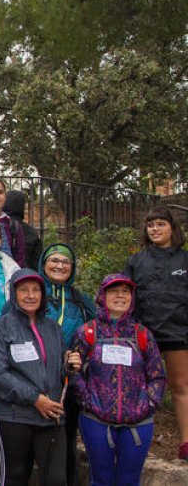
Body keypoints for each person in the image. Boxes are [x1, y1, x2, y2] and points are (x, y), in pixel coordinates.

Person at [71, 274, 167, 486]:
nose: (120, 296)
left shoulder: (142, 334)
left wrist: (149, 403)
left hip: (138, 422)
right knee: (101, 479)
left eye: (125, 291)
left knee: (129, 481)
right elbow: (73, 370)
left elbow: (157, 375)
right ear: (102, 296)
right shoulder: (87, 332)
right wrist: (87, 400)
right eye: (114, 291)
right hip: (96, 420)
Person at [0, 268, 75, 486]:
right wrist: (36, 398)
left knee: (56, 479)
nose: (30, 295)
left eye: (36, 290)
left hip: (51, 415)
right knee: (14, 477)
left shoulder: (53, 328)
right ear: (14, 293)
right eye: (24, 290)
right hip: (13, 415)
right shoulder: (0, 328)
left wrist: (70, 366)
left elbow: (58, 371)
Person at [123, 206, 188, 459]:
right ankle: (136, 442)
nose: (155, 229)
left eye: (161, 224)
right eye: (151, 225)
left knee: (181, 386)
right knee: (139, 387)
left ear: (172, 227)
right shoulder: (136, 261)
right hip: (142, 334)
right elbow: (125, 296)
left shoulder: (185, 260)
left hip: (178, 332)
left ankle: (185, 442)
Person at [37, 243, 95, 482]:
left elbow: (96, 335)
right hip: (35, 380)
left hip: (69, 383)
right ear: (43, 263)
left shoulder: (82, 301)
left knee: (67, 441)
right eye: (54, 260)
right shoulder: (32, 293)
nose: (59, 266)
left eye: (65, 262)